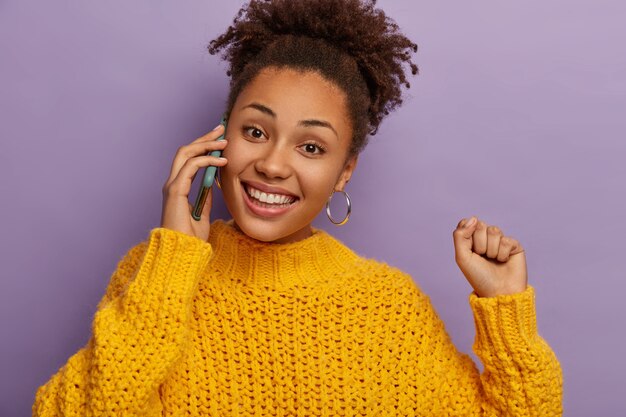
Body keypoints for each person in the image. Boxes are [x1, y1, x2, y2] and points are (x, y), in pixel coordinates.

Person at [32, 0, 563, 415]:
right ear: (221, 138)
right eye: (256, 131)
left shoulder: (390, 308)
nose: (272, 164)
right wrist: (173, 261)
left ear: (345, 170)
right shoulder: (153, 280)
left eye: (311, 147)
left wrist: (507, 313)